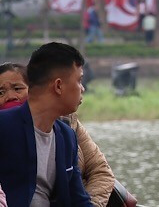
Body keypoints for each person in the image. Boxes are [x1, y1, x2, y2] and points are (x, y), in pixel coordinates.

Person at [0, 43, 93, 206]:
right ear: (58, 86)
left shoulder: (67, 135)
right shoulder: (4, 125)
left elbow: (79, 200)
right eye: (79, 80)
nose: (82, 88)